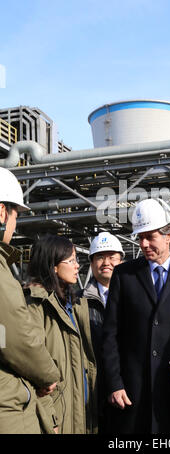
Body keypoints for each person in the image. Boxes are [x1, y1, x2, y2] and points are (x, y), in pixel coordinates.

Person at [102, 198, 170, 434]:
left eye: (150, 236)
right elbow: (110, 334)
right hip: (132, 393)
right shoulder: (124, 275)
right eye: (140, 237)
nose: (143, 244)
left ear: (169, 236)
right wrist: (114, 383)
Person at [0, 167, 60, 434]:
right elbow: (14, 336)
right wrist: (47, 375)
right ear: (2, 213)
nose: (14, 226)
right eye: (15, 216)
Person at [24, 234, 98, 434]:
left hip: (79, 409)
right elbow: (33, 370)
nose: (77, 266)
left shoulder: (72, 304)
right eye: (71, 260)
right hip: (57, 414)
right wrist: (50, 418)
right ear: (53, 266)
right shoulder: (36, 305)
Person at [79, 232, 124, 432]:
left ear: (121, 260)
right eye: (99, 257)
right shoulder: (78, 301)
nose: (106, 262)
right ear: (91, 262)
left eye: (112, 256)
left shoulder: (135, 298)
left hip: (128, 389)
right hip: (94, 393)